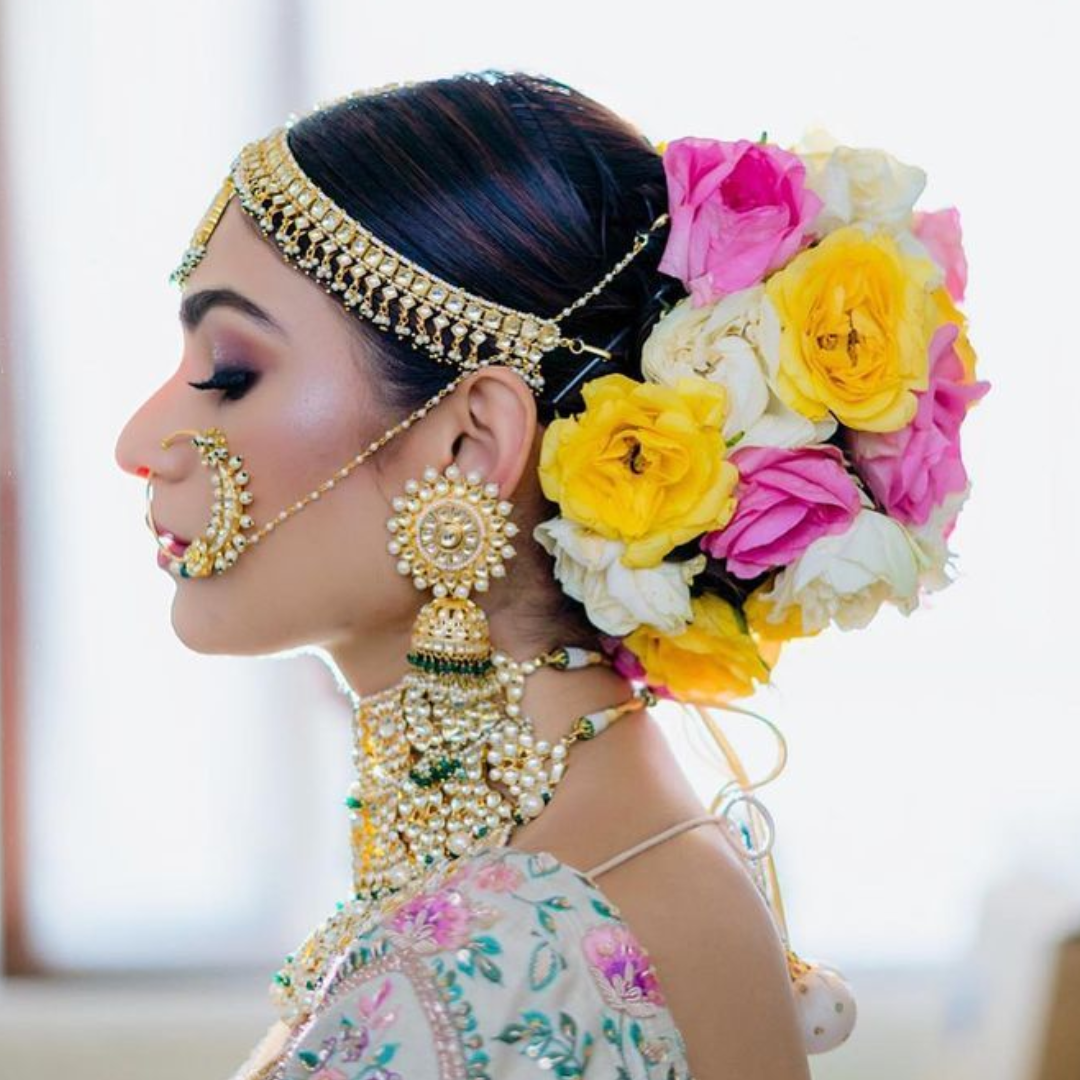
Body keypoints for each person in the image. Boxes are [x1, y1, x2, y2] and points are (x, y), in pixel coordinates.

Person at [115, 67, 988, 1078]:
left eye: (229, 374)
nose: (141, 438)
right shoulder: (624, 849)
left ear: (468, 443)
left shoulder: (498, 962)